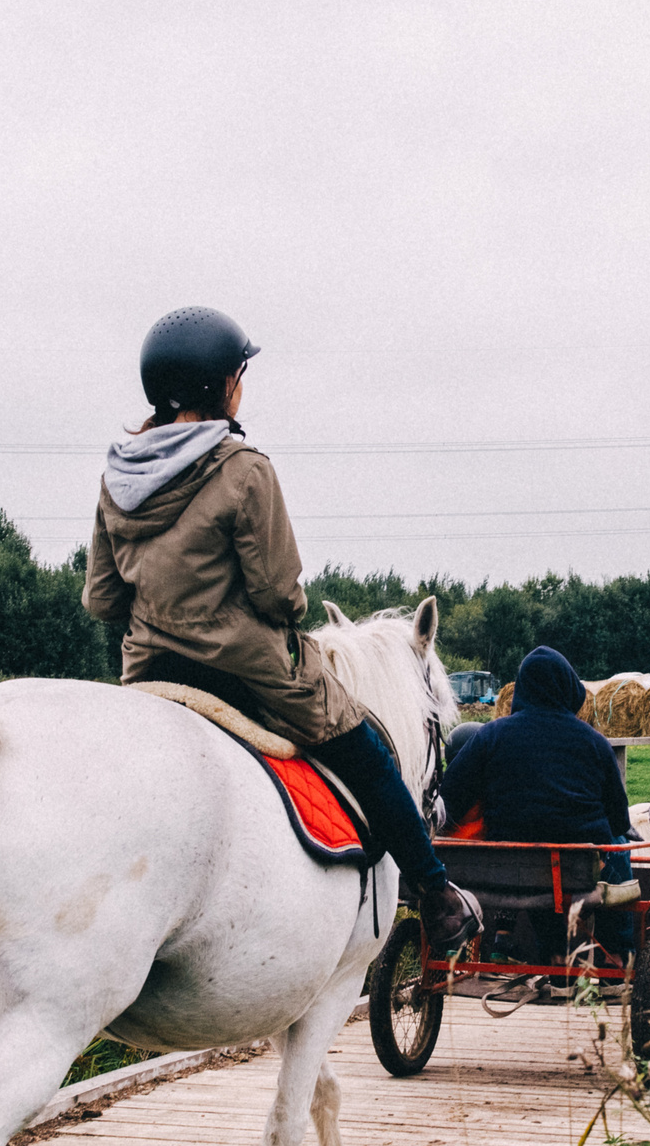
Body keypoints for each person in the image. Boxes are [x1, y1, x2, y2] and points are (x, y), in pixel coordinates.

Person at [83, 306, 480, 948]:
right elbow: (279, 599)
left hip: (148, 672)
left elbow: (103, 599)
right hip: (248, 674)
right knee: (372, 755)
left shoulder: (117, 478)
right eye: (241, 374)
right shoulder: (243, 469)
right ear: (224, 388)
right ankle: (436, 896)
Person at [438, 646, 641, 905]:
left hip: (508, 864)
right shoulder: (595, 742)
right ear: (569, 687)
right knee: (619, 839)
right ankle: (622, 942)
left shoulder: (490, 735)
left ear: (521, 689)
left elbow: (450, 798)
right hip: (578, 869)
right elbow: (618, 818)